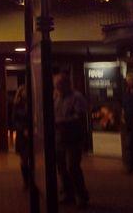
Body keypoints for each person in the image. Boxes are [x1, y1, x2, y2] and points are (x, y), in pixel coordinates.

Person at [54, 71, 89, 209]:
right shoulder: (56, 97)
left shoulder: (77, 97)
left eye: (59, 85)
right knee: (61, 168)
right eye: (56, 85)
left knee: (72, 167)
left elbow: (80, 117)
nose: (57, 88)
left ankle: (81, 195)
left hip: (73, 138)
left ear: (66, 84)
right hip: (59, 138)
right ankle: (67, 194)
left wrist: (62, 122)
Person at [12, 85, 30, 189]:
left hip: (33, 134)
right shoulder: (17, 105)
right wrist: (23, 129)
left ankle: (32, 180)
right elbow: (14, 120)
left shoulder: (34, 103)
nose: (25, 93)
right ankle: (26, 181)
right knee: (24, 159)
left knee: (33, 159)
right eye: (23, 91)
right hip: (22, 135)